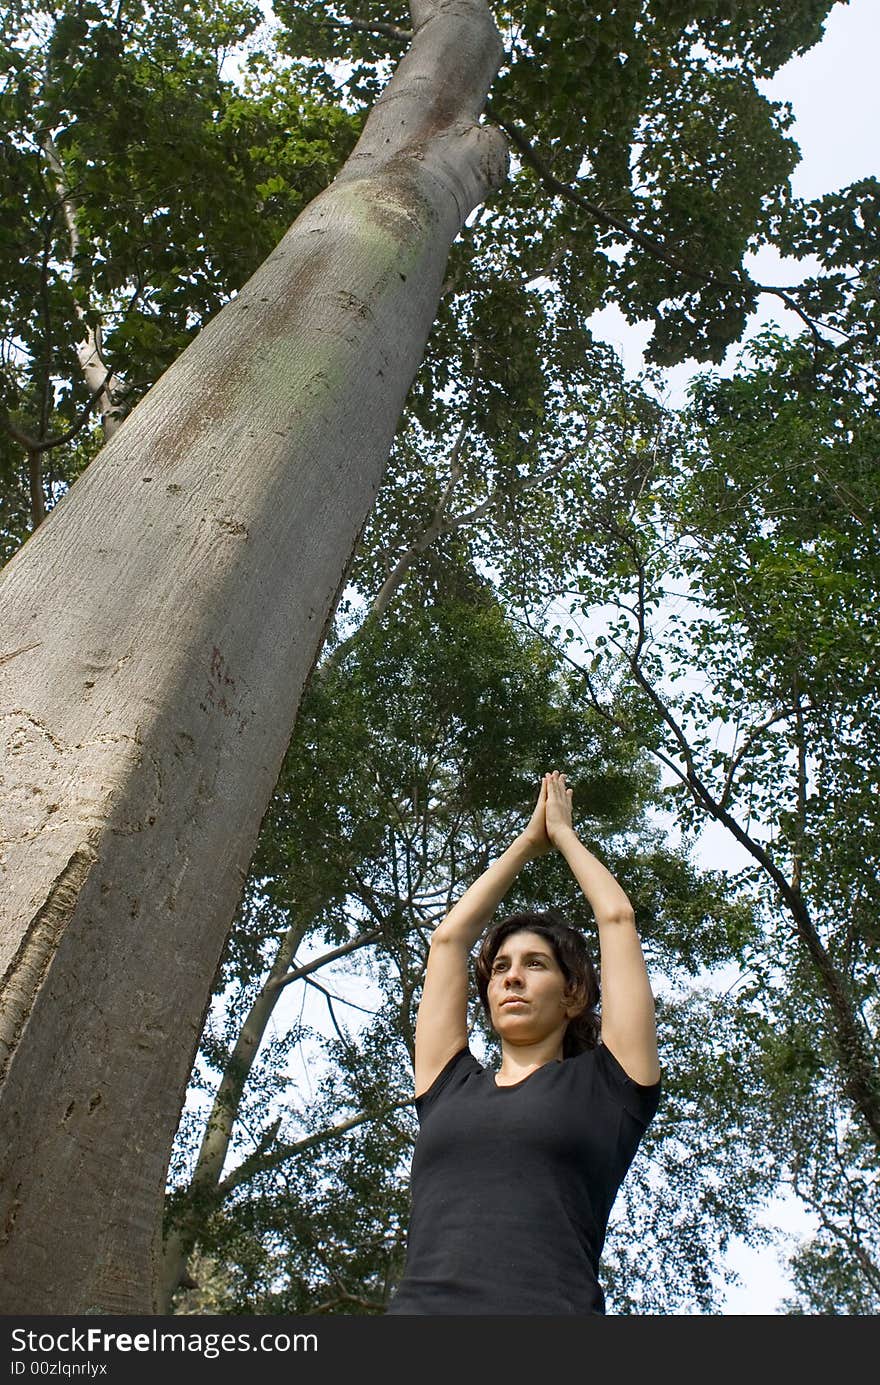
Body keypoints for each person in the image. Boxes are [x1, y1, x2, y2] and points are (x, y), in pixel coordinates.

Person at [385, 770, 661, 1316]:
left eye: (534, 965)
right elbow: (448, 941)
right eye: (501, 969)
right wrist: (525, 844)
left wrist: (564, 837)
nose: (511, 978)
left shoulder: (610, 1086)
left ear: (574, 993)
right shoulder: (449, 1086)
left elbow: (617, 918)